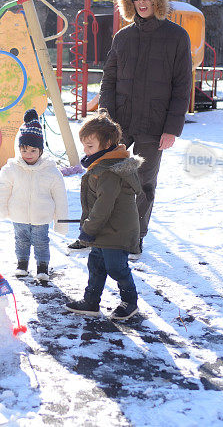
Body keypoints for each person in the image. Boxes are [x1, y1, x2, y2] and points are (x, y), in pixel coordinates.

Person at [99, 0, 192, 257]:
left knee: (144, 182)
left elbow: (182, 86)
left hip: (155, 125)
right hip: (121, 123)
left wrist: (171, 129)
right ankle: (115, 231)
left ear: (158, 0)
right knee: (115, 178)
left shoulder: (177, 37)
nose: (142, 2)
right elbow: (109, 79)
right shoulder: (123, 37)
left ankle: (135, 236)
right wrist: (105, 120)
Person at [65, 110, 143, 320]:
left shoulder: (109, 171)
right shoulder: (102, 165)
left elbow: (103, 205)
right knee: (96, 265)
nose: (85, 150)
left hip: (116, 231)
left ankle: (130, 302)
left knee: (116, 268)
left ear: (107, 143)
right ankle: (91, 301)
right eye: (84, 145)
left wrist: (87, 230)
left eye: (90, 146)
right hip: (104, 229)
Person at [0, 109, 68, 281]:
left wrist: (61, 222)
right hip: (18, 215)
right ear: (19, 149)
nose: (28, 155)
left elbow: (60, 197)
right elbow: (1, 189)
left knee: (41, 242)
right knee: (21, 241)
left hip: (41, 216)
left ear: (40, 150)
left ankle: (42, 266)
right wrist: (1, 209)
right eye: (24, 151)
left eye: (33, 151)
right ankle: (22, 264)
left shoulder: (50, 171)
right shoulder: (12, 168)